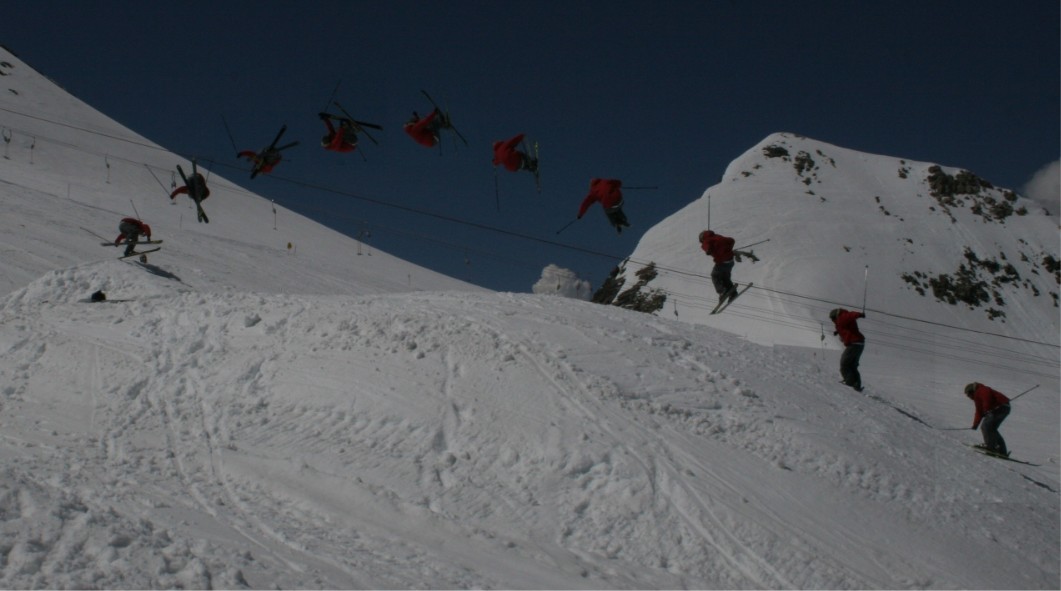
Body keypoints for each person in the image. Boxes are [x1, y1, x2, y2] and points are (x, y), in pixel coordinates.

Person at [965, 382, 1010, 456]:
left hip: (1001, 407)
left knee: (986, 426)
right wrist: (975, 424)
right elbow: (979, 411)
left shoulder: (981, 390)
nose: (969, 397)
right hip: (1003, 408)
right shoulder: (977, 398)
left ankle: (990, 446)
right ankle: (1002, 450)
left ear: (972, 391)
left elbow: (987, 397)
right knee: (991, 429)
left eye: (968, 395)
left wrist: (986, 409)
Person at [699, 230, 744, 300]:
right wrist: (728, 249)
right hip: (730, 261)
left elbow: (706, 245)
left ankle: (722, 292)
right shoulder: (717, 236)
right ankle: (733, 293)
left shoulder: (706, 240)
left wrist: (708, 250)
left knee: (715, 275)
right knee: (725, 278)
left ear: (702, 238)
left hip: (722, 262)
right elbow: (731, 240)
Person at [829, 308, 865, 392]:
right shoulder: (840, 320)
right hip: (859, 343)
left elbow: (850, 316)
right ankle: (856, 385)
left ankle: (849, 383)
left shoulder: (841, 317)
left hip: (854, 344)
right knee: (852, 365)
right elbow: (844, 326)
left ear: (835, 316)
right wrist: (837, 332)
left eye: (832, 318)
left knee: (844, 364)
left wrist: (859, 315)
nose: (832, 320)